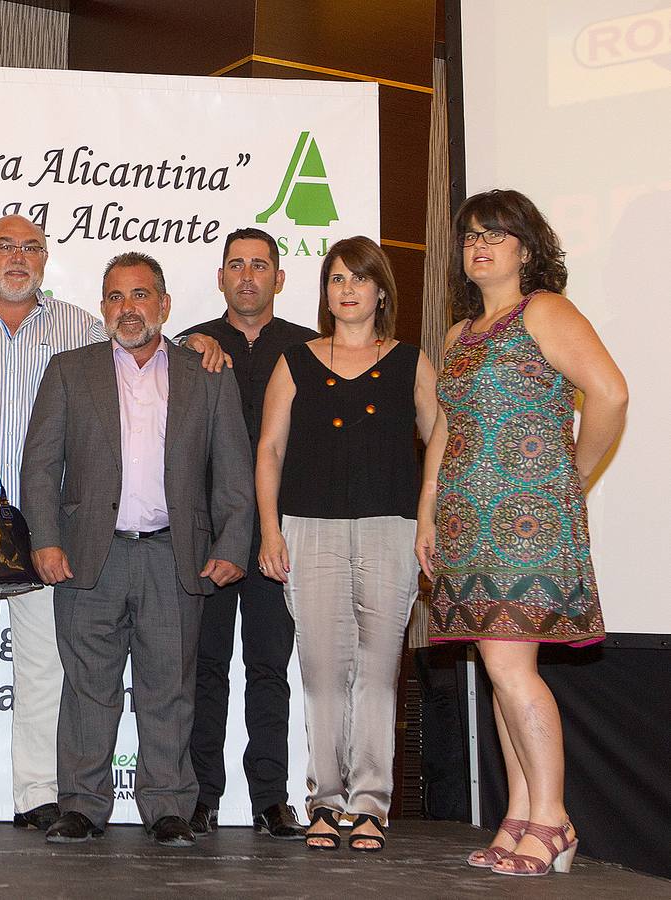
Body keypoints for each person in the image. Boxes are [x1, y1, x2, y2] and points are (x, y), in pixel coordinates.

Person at [0, 215, 225, 832]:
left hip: (51, 526)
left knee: (46, 670)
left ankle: (40, 792)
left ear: (46, 259)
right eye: (4, 247)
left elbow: (139, 346)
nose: (17, 258)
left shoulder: (78, 326)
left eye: (30, 248)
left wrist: (202, 341)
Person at [416, 190, 626, 876]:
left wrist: (572, 475)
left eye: (496, 236)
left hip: (526, 522)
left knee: (510, 668)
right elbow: (448, 429)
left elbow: (611, 392)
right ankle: (519, 814)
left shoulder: (544, 311)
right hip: (466, 526)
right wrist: (427, 508)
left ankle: (554, 820)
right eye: (472, 236)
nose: (480, 247)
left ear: (527, 250)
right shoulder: (459, 334)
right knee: (499, 673)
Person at [22, 252, 254, 848]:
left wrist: (232, 543)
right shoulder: (70, 370)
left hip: (174, 556)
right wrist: (43, 539)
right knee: (86, 687)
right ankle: (81, 805)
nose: (129, 308)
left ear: (165, 305)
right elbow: (41, 467)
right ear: (103, 308)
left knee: (169, 687)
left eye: (141, 295)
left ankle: (169, 805)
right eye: (117, 297)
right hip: (87, 556)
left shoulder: (207, 373)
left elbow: (232, 468)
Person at [256, 236, 438, 853]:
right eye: (336, 279)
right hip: (309, 528)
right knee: (322, 671)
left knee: (378, 672)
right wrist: (270, 528)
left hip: (392, 530)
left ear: (381, 290)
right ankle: (325, 802)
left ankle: (370, 805)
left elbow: (440, 438)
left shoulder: (411, 361)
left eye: (360, 279)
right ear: (325, 291)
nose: (348, 289)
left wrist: (429, 516)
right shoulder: (296, 361)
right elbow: (269, 450)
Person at [173, 226, 315, 839]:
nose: (248, 276)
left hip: (279, 535)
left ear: (280, 279)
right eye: (237, 265)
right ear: (221, 278)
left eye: (261, 265)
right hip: (208, 534)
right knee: (203, 669)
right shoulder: (193, 348)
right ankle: (201, 795)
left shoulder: (312, 349)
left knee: (268, 667)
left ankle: (270, 796)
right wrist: (184, 340)